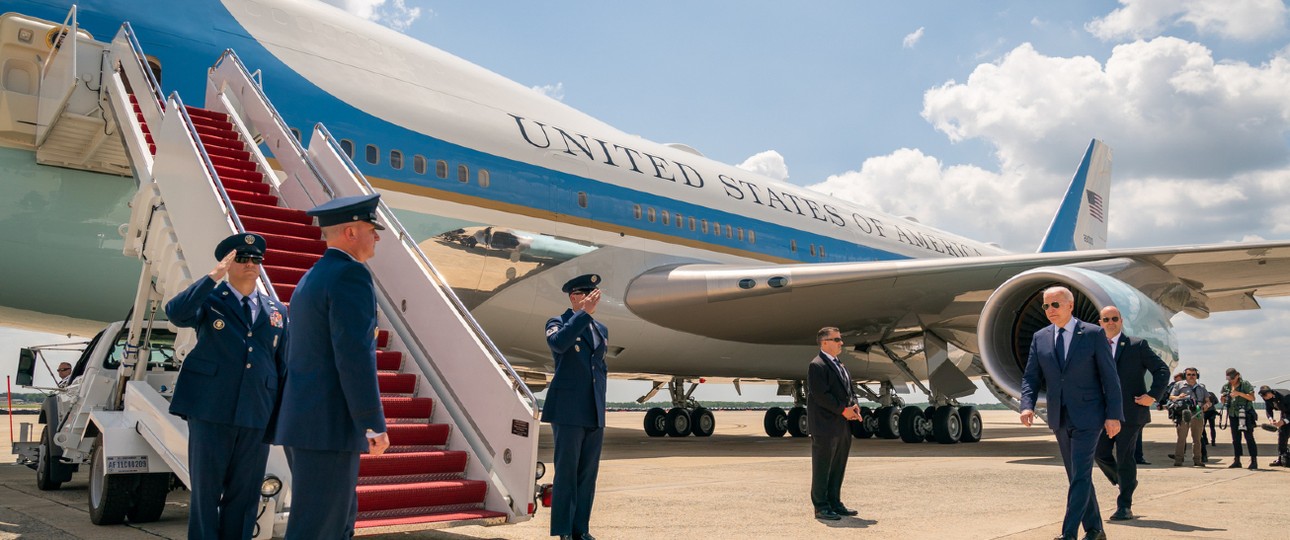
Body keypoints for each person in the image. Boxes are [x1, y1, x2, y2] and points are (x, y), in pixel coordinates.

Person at [272, 194, 390, 539]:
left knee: (327, 523)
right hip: (328, 425)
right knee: (322, 527)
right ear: (351, 232)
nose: (377, 236)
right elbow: (354, 355)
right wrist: (371, 422)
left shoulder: (313, 277)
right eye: (372, 229)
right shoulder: (350, 275)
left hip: (306, 420)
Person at [166, 233, 288, 540]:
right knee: (206, 493)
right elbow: (176, 314)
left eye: (256, 259)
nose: (250, 264)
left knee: (245, 495)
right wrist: (212, 277)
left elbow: (282, 365)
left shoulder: (277, 311)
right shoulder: (210, 301)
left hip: (256, 414)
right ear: (229, 263)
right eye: (243, 259)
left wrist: (279, 420)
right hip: (211, 409)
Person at [1019, 286, 1122, 540]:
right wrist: (1026, 404)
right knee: (1077, 476)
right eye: (1046, 306)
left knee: (1080, 474)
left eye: (1055, 305)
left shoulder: (1093, 333)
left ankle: (1068, 534)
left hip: (1089, 416)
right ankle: (1096, 530)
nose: (1050, 310)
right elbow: (1031, 377)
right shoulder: (1040, 337)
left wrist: (1114, 415)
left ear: (1070, 306)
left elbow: (1110, 378)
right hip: (1059, 416)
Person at [542, 273, 609, 540]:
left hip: (593, 409)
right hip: (568, 410)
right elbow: (559, 345)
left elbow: (599, 368)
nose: (593, 298)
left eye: (595, 294)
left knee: (587, 476)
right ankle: (563, 531)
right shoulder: (558, 322)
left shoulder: (600, 328)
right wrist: (582, 316)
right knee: (566, 474)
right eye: (587, 295)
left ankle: (581, 529)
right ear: (575, 297)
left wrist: (601, 403)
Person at [1092, 306, 1168, 522]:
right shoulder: (1095, 347)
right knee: (1098, 452)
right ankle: (1127, 482)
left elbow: (1161, 370)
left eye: (1114, 318)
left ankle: (1124, 506)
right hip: (1103, 413)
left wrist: (1152, 395)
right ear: (1100, 322)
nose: (1110, 322)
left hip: (1130, 412)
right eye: (1106, 319)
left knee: (1125, 458)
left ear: (1121, 321)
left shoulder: (1137, 345)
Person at [807, 326, 862, 521]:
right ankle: (821, 507)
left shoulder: (841, 365)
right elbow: (821, 395)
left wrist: (854, 406)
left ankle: (835, 502)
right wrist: (842, 410)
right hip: (825, 425)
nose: (841, 343)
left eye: (840, 339)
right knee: (823, 467)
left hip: (842, 424)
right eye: (837, 339)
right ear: (824, 342)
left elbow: (849, 390)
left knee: (838, 466)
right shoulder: (817, 365)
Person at [1168, 368, 1209, 467]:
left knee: (1197, 439)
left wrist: (1207, 405)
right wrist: (1179, 397)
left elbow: (1207, 400)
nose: (1191, 376)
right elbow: (1171, 397)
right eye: (1189, 374)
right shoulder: (1179, 385)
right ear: (1185, 375)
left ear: (1197, 376)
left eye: (1193, 375)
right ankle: (1178, 459)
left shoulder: (1201, 387)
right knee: (1181, 438)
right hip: (1184, 412)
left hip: (1198, 412)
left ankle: (1197, 460)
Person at [1221, 368, 1259, 469]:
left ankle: (1254, 460)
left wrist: (1239, 393)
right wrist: (1224, 398)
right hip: (1233, 414)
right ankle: (1237, 460)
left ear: (1237, 375)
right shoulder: (1227, 386)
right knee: (1236, 439)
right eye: (1229, 378)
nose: (1231, 380)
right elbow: (1223, 401)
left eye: (1232, 378)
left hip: (1245, 414)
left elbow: (1252, 398)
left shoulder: (1245, 384)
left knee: (1249, 437)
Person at [1258, 386, 1289, 467]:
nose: (1264, 398)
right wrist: (1271, 419)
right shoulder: (1267, 398)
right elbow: (1268, 409)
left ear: (1269, 393)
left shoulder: (1285, 396)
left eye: (1264, 396)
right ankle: (1281, 458)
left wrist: (1284, 421)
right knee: (1282, 436)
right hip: (1286, 413)